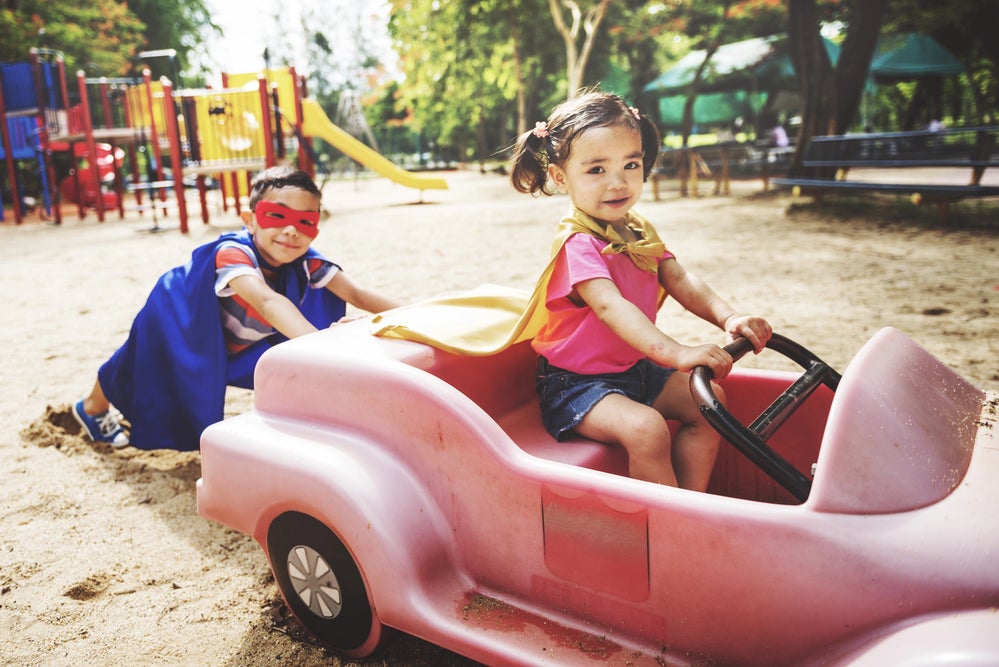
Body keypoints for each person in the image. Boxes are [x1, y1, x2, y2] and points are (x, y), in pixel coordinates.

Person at [508, 91, 772, 491]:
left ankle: (693, 505)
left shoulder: (637, 229)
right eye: (596, 170)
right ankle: (669, 526)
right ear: (561, 178)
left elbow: (680, 279)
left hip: (637, 369)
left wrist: (728, 316)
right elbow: (612, 307)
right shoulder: (578, 244)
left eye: (631, 164)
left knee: (710, 403)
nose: (618, 182)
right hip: (577, 384)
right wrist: (678, 352)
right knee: (647, 430)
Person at [73, 166, 400, 451]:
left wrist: (417, 315)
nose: (291, 230)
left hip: (233, 342)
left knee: (287, 371)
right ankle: (92, 407)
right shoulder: (233, 253)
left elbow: (356, 292)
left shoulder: (306, 261)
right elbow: (267, 301)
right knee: (136, 359)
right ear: (251, 220)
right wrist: (322, 344)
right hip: (178, 319)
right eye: (277, 216)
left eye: (305, 221)